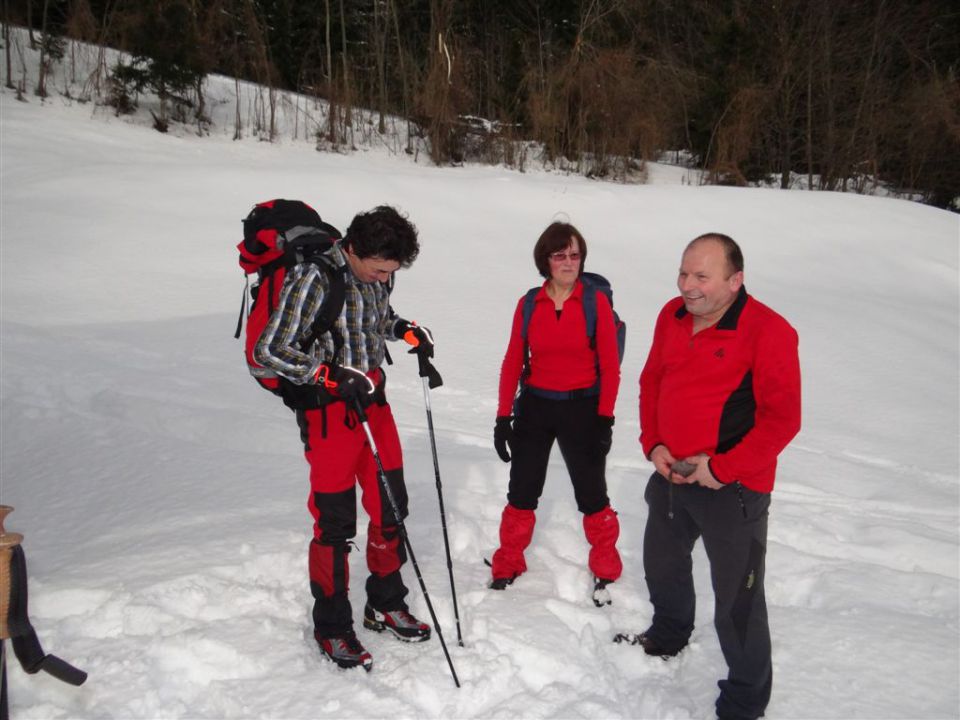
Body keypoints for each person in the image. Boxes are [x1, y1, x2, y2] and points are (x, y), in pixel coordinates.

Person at [254, 205, 436, 672]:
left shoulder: (377, 276)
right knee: (335, 524)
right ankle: (333, 626)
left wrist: (405, 330)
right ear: (353, 249)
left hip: (374, 401)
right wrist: (328, 376)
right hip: (330, 413)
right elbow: (271, 349)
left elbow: (373, 318)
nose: (383, 279)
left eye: (391, 273)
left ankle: (384, 602)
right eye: (378, 269)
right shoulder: (314, 279)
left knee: (392, 504)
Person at [633, 233, 801, 720]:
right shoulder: (672, 314)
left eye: (702, 276)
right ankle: (668, 636)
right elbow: (652, 381)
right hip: (672, 473)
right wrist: (655, 443)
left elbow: (782, 420)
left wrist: (722, 468)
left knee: (737, 599)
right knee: (662, 565)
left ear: (735, 280)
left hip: (735, 489)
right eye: (684, 273)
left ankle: (745, 702)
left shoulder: (768, 331)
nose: (688, 285)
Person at [490, 221, 622, 604]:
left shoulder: (595, 301)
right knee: (522, 489)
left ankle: (606, 567)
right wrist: (502, 417)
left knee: (592, 492)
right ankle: (508, 561)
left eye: (575, 255)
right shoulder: (530, 303)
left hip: (582, 407)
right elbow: (513, 360)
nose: (569, 262)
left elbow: (610, 366)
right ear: (545, 260)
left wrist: (605, 418)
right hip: (535, 406)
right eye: (560, 254)